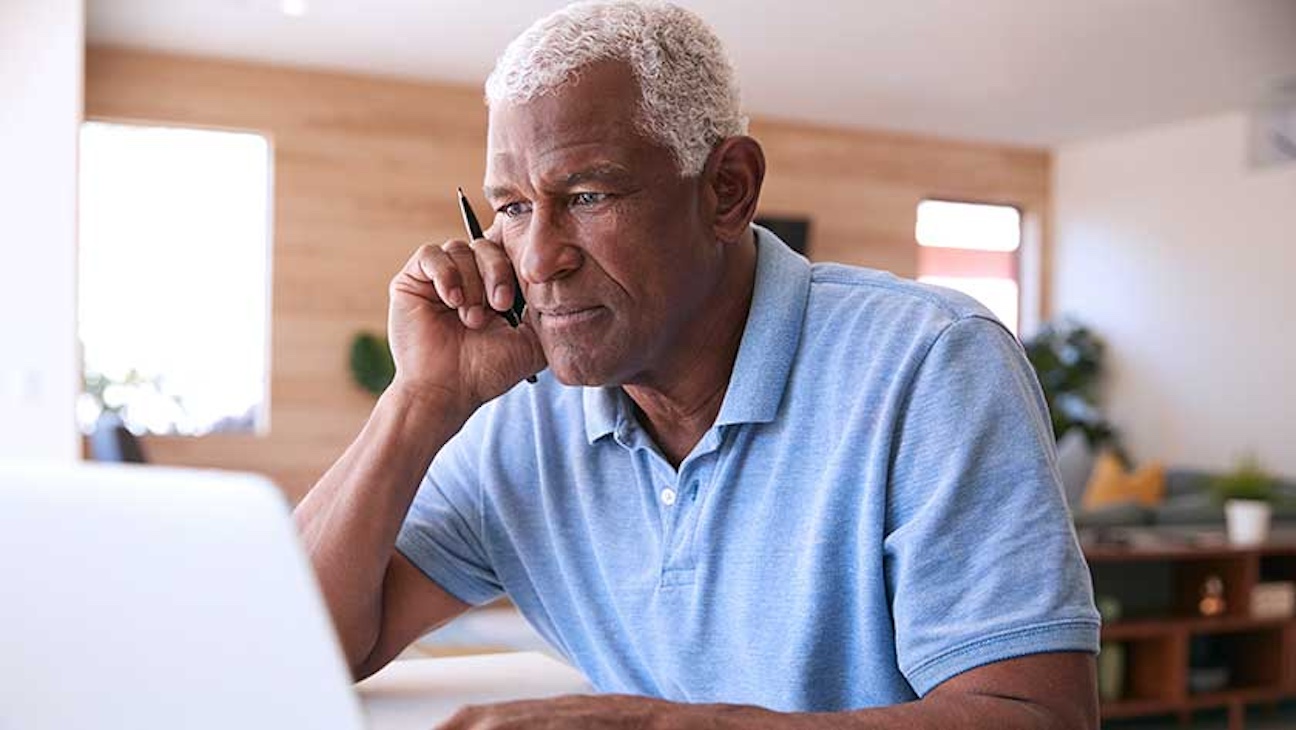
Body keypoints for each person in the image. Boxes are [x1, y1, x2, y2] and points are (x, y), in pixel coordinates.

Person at [293, 1, 1100, 727]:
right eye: (510, 207)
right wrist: (421, 398)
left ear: (728, 190)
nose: (537, 259)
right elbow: (302, 641)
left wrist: (663, 727)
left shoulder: (927, 363)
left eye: (588, 196)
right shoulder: (523, 410)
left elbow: (1035, 715)